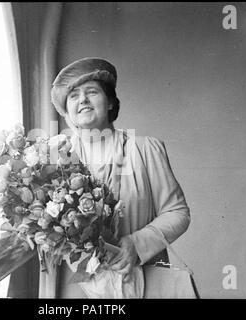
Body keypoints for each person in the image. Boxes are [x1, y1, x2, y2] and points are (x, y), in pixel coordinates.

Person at [39, 57, 191, 298]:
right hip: (81, 290)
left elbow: (178, 212)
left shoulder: (143, 149)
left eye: (92, 92)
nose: (83, 100)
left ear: (110, 102)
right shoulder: (57, 161)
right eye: (74, 96)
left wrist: (137, 244)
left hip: (144, 283)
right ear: (67, 111)